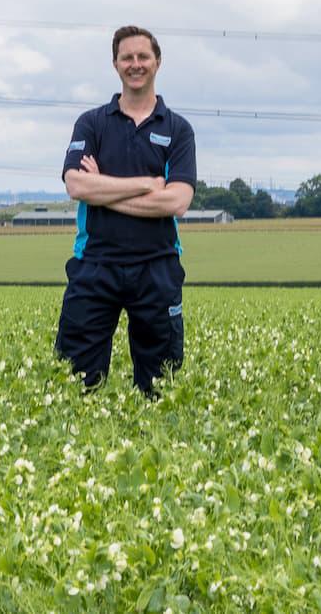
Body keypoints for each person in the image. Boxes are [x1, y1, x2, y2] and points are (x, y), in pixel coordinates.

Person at [56, 26, 196, 397]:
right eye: (127, 57)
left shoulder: (179, 130)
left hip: (158, 267)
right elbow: (76, 186)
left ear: (158, 62)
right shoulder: (92, 123)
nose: (136, 64)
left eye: (143, 57)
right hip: (94, 265)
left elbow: (177, 202)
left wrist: (104, 189)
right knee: (75, 383)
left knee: (161, 390)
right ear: (115, 64)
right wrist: (147, 183)